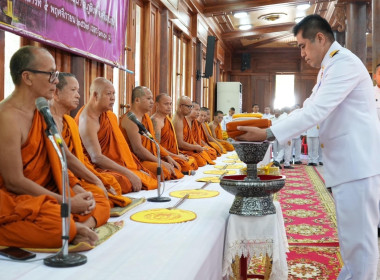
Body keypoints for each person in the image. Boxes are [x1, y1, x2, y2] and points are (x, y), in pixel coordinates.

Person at [237, 14, 380, 280]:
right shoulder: (330, 67)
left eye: (303, 45)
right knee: (352, 240)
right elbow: (307, 109)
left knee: (360, 242)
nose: (302, 53)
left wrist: (267, 133)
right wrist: (269, 129)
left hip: (357, 163)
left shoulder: (344, 64)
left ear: (320, 38)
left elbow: (316, 112)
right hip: (349, 163)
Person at [0, 46, 98, 248]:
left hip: (43, 191)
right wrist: (66, 202)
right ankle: (71, 229)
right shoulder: (7, 117)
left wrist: (78, 190)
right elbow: (14, 181)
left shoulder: (41, 111)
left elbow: (62, 155)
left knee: (96, 199)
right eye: (51, 74)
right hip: (11, 197)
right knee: (59, 225)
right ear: (27, 77)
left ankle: (76, 226)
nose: (56, 80)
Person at [50, 73, 132, 208]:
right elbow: (68, 159)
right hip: (62, 178)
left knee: (113, 186)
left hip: (77, 173)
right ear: (56, 93)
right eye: (73, 90)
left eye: (78, 91)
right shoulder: (50, 120)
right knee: (101, 197)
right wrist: (95, 180)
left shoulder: (69, 121)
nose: (78, 95)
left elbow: (78, 159)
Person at [75, 77, 157, 193]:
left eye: (114, 93)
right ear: (95, 95)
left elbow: (120, 148)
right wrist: (128, 173)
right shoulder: (87, 120)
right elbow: (96, 158)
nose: (113, 98)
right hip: (98, 167)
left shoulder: (110, 116)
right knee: (124, 181)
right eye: (108, 94)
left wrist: (132, 168)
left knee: (148, 177)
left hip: (116, 164)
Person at [120, 86, 183, 180]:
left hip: (149, 157)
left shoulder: (145, 117)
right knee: (163, 170)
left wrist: (167, 156)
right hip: (135, 161)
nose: (152, 102)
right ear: (137, 100)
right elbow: (138, 150)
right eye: (148, 98)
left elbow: (154, 142)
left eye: (152, 99)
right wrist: (160, 161)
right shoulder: (130, 120)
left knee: (176, 165)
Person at [151, 93, 198, 174]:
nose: (169, 106)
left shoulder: (167, 119)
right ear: (157, 105)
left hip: (171, 154)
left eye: (170, 104)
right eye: (166, 104)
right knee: (182, 165)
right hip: (162, 156)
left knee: (190, 161)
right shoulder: (156, 120)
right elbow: (157, 147)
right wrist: (175, 156)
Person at [172, 96, 214, 166]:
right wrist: (196, 147)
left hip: (189, 149)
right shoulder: (178, 120)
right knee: (198, 161)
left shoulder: (190, 121)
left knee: (210, 153)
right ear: (180, 106)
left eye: (191, 107)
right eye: (189, 107)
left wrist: (199, 147)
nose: (190, 109)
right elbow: (180, 144)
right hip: (181, 151)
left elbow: (191, 139)